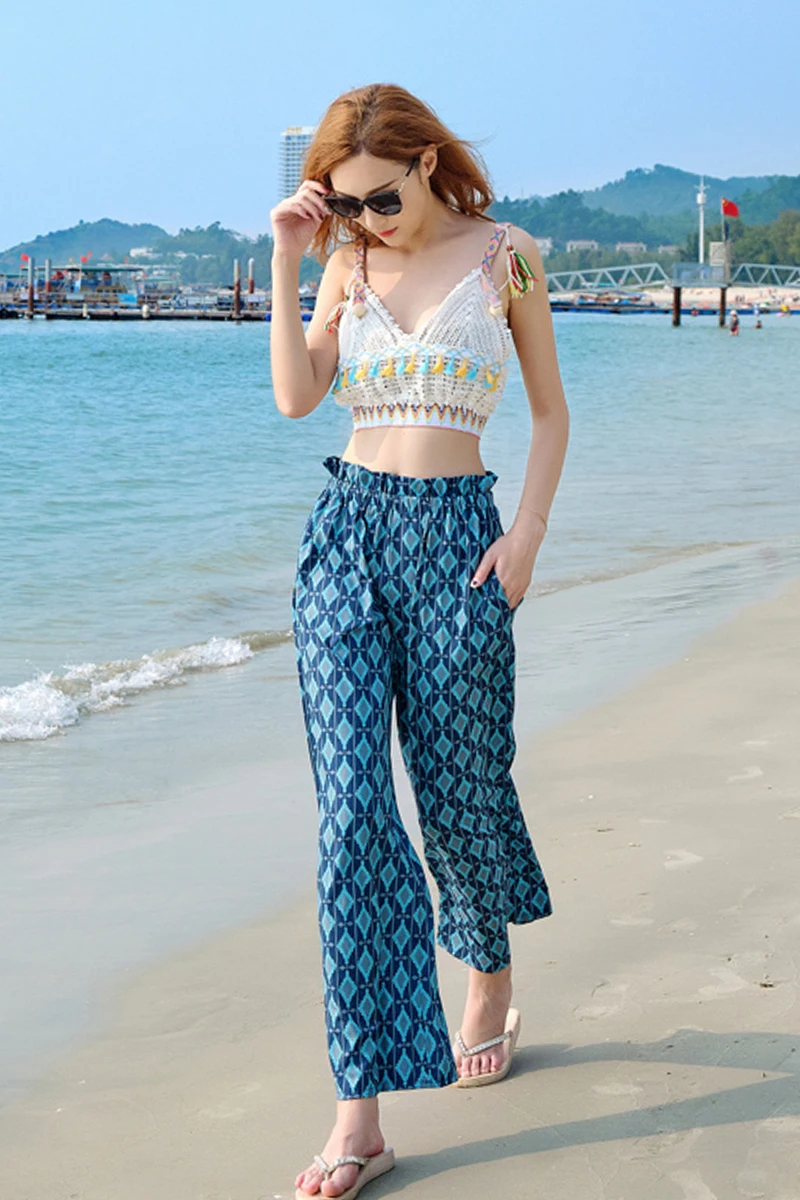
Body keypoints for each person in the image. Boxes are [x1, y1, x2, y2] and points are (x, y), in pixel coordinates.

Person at [269, 82, 569, 1200]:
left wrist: (525, 534)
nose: (369, 221)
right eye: (347, 205)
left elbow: (549, 411)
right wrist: (291, 259)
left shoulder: (507, 256)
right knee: (352, 817)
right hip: (346, 537)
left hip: (459, 544)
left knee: (458, 791)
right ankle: (360, 1113)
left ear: (426, 163)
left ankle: (485, 969)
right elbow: (298, 398)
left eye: (381, 199)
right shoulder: (344, 262)